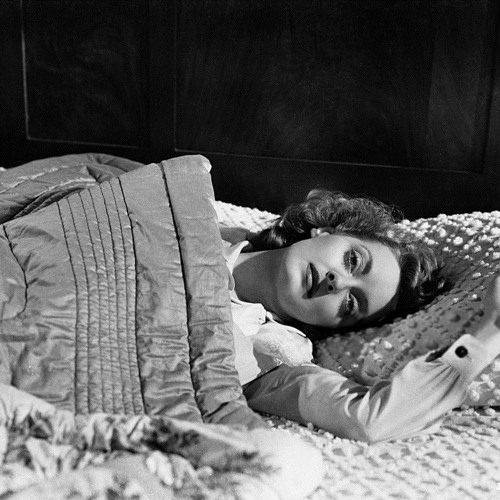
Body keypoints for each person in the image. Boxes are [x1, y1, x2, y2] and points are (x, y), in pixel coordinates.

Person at [222, 189, 500, 443]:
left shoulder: (272, 356)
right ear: (325, 232)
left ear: (332, 325)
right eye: (353, 260)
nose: (337, 282)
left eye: (350, 303)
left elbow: (369, 419)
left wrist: (489, 334)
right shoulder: (204, 219)